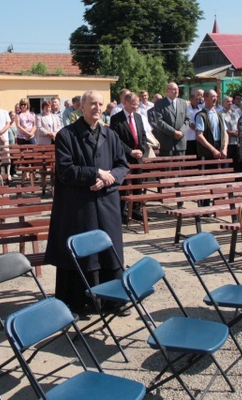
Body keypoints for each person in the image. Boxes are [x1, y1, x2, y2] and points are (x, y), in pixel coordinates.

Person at [45, 90, 129, 315]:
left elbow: (122, 166)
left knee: (109, 252)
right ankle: (81, 301)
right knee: (85, 254)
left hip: (107, 202)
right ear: (82, 106)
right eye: (92, 104)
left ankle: (114, 300)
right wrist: (95, 174)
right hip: (79, 207)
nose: (97, 108)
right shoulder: (66, 135)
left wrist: (107, 180)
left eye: (100, 104)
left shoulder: (110, 135)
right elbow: (65, 170)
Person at [110, 92, 147, 222]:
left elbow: (143, 135)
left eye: (137, 104)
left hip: (138, 157)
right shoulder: (116, 118)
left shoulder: (138, 117)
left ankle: (136, 210)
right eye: (133, 104)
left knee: (138, 185)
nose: (135, 107)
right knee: (124, 185)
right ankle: (122, 211)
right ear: (125, 103)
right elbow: (116, 139)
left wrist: (141, 149)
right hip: (124, 157)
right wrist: (130, 151)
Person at [152, 82, 189, 156]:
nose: (176, 91)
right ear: (167, 90)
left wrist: (181, 131)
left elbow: (187, 120)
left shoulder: (183, 103)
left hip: (180, 143)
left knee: (180, 166)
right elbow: (159, 121)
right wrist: (174, 132)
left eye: (177, 89)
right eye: (174, 89)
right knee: (168, 167)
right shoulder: (160, 104)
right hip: (166, 144)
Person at [195, 89, 228, 161]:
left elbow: (225, 133)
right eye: (213, 96)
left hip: (220, 148)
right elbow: (199, 136)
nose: (215, 98)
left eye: (216, 96)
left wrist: (225, 148)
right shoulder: (201, 115)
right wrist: (213, 150)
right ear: (205, 98)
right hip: (207, 151)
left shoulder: (219, 114)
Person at [221, 96, 242, 172]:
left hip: (237, 141)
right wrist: (229, 133)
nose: (230, 103)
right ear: (223, 103)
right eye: (227, 101)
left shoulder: (236, 113)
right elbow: (221, 128)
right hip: (227, 142)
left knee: (237, 162)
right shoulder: (220, 114)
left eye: (231, 101)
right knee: (226, 163)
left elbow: (240, 124)